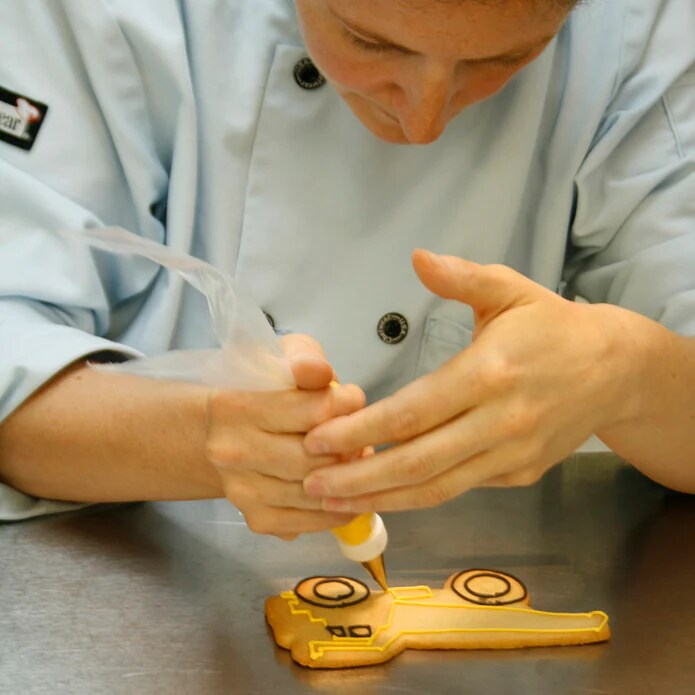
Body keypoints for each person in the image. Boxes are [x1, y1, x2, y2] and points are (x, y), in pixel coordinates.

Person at [0, 0, 693, 534]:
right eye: (369, 41)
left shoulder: (641, 25)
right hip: (118, 585)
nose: (422, 122)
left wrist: (625, 373)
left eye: (507, 58)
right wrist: (202, 438)